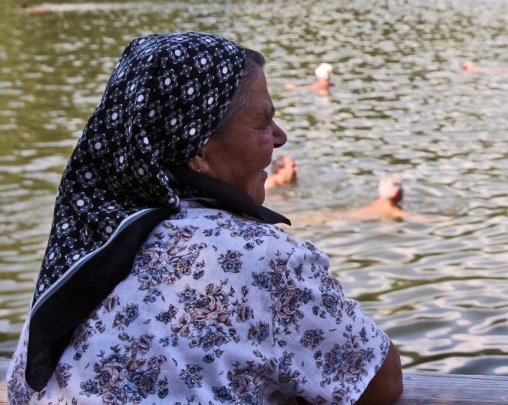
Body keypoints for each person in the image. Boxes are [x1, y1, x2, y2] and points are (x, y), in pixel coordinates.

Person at [4, 32, 403, 404]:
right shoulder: (260, 258)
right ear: (197, 152)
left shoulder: (85, 244)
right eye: (263, 122)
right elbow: (379, 383)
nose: (280, 137)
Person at [349, 175, 429, 220]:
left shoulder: (377, 203)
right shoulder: (392, 210)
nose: (402, 190)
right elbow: (416, 218)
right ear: (396, 192)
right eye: (400, 187)